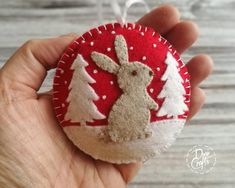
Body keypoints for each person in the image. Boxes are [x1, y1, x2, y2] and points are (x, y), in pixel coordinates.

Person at [0, 4, 213, 188]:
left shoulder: (140, 90)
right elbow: (143, 102)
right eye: (136, 72)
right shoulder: (130, 90)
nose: (148, 72)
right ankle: (123, 134)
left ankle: (135, 132)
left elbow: (145, 102)